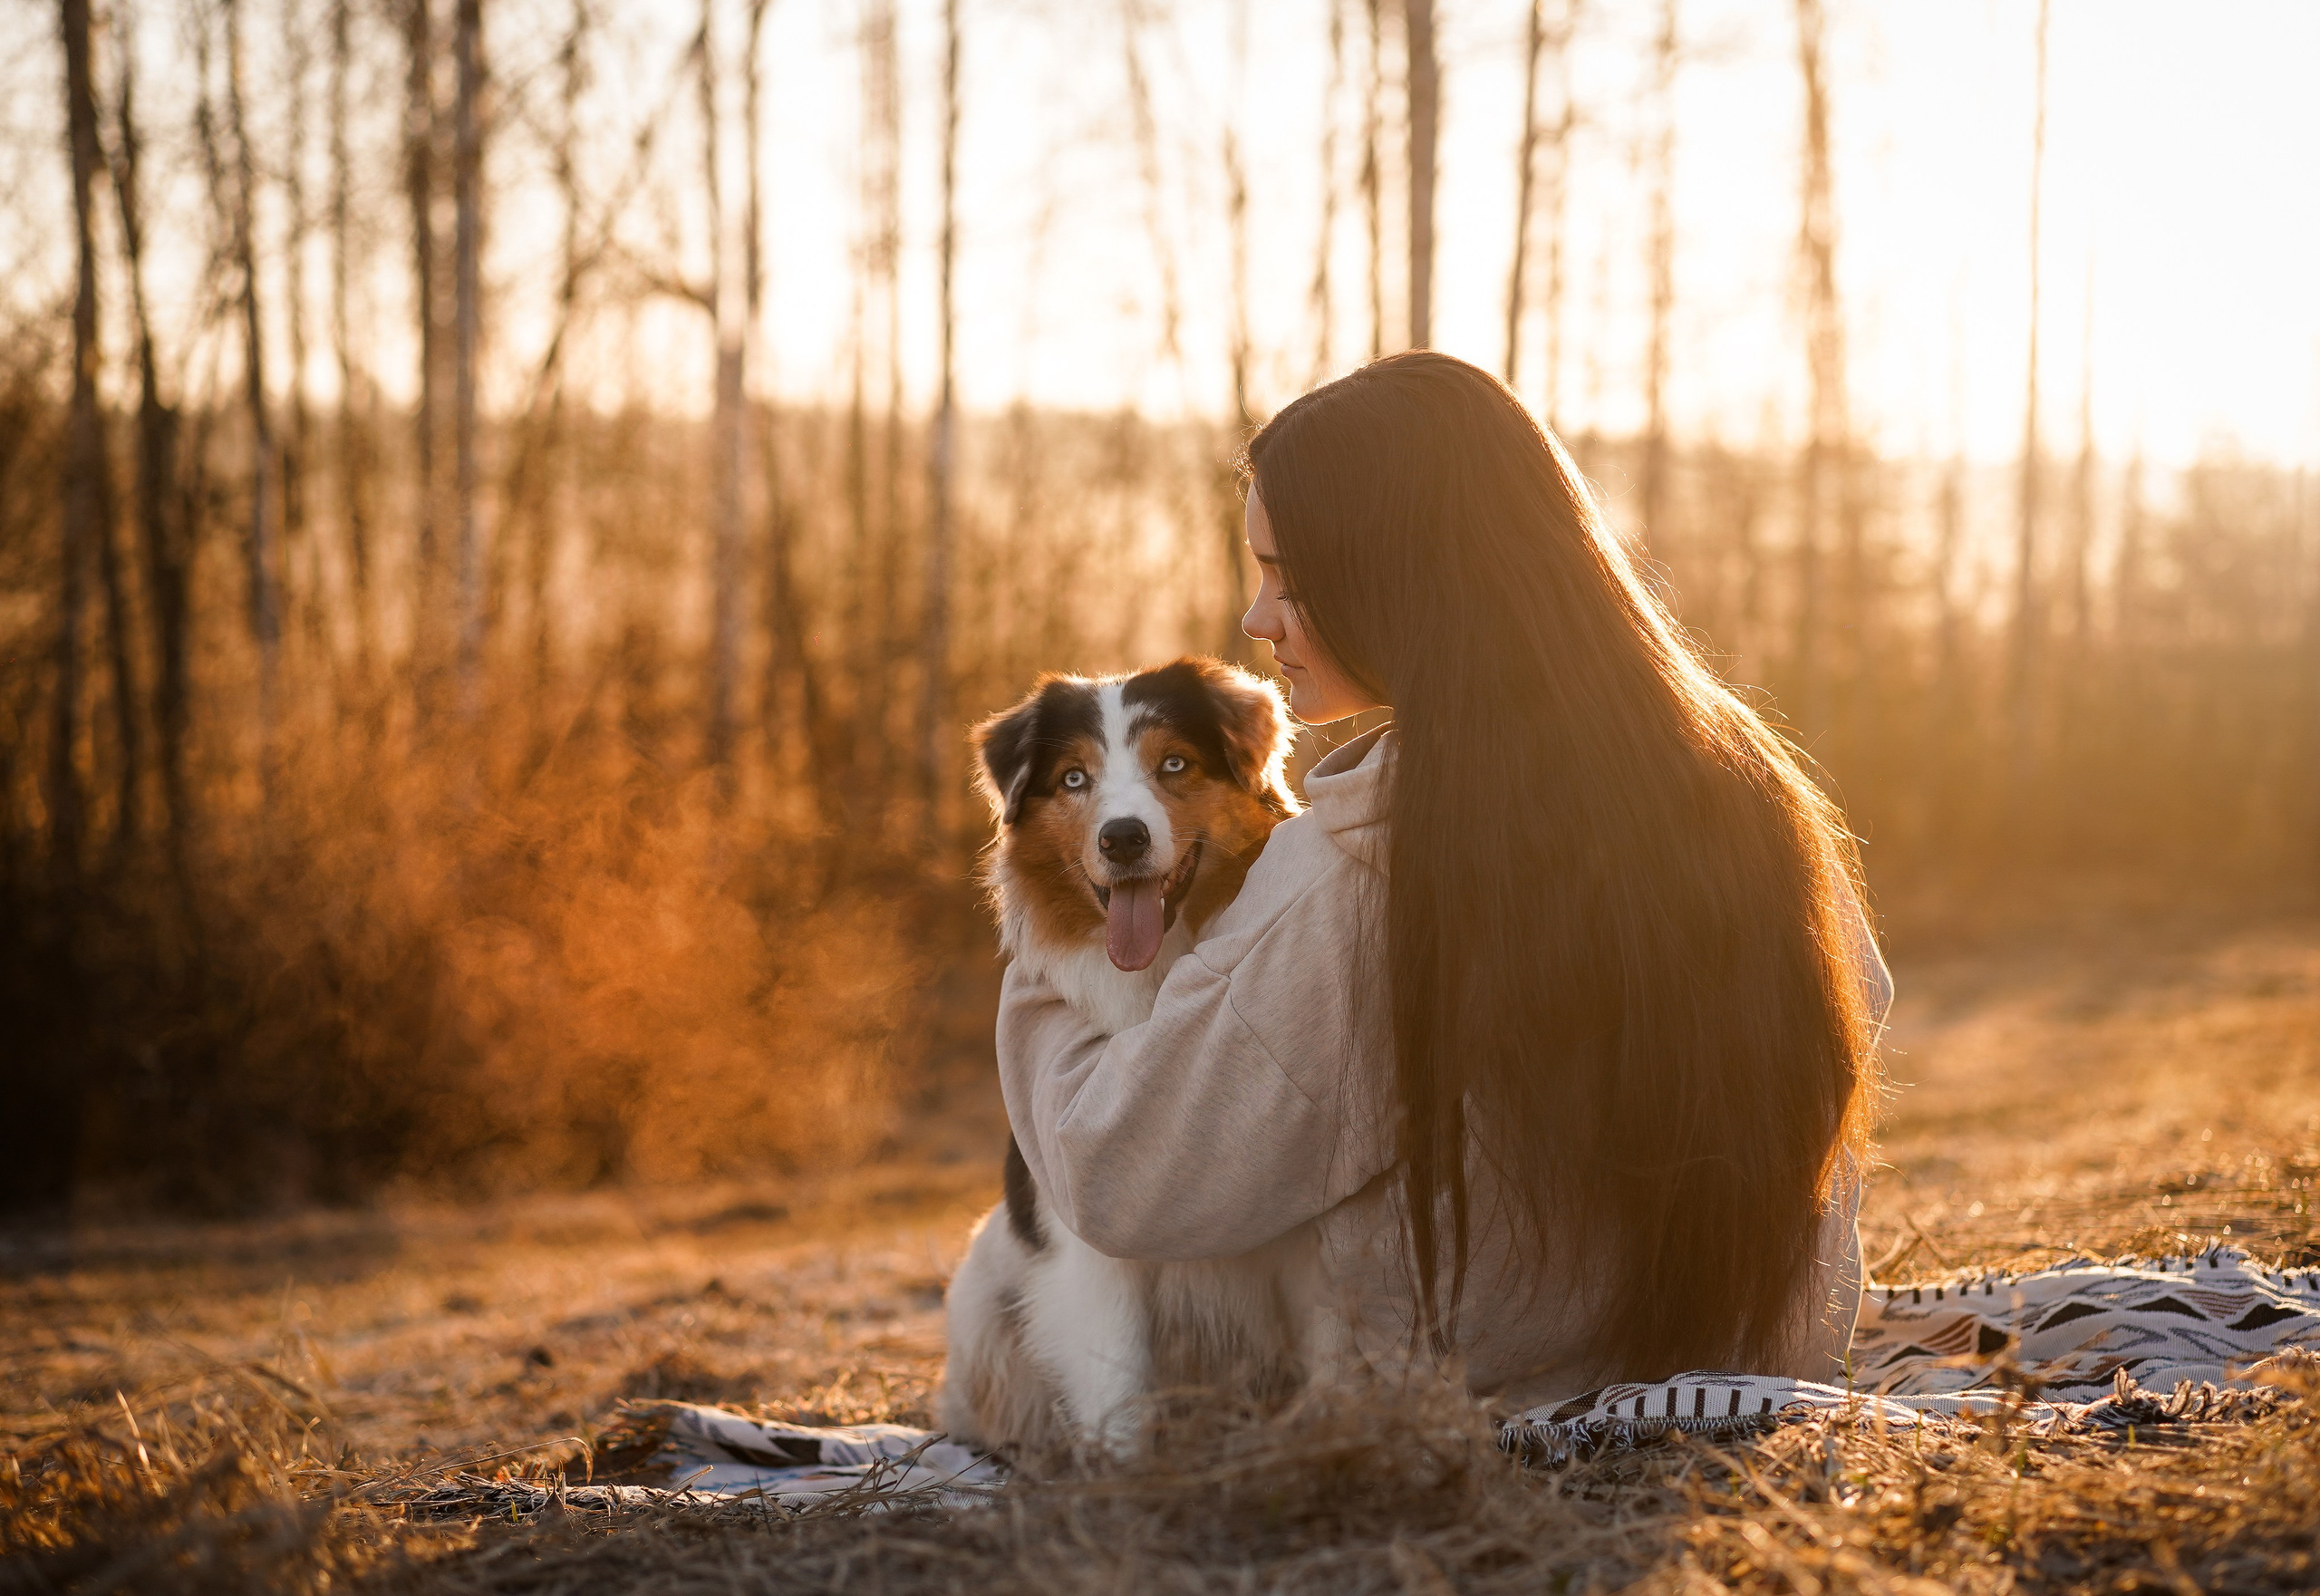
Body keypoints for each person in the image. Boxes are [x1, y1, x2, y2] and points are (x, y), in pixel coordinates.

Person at [997, 352, 1891, 1408]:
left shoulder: (1365, 870)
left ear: (1398, 577)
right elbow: (1861, 996)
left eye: (1288, 577)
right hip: (1762, 1369)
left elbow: (1119, 1178)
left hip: (1490, 1419)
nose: (1257, 619)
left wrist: (1040, 975)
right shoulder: (1741, 776)